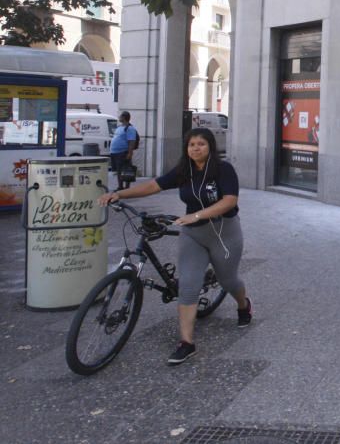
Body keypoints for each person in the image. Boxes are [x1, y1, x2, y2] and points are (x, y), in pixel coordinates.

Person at [98, 127, 252, 366]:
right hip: (193, 235)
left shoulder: (223, 169)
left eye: (201, 144)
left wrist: (197, 215)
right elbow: (154, 186)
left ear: (210, 146)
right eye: (191, 144)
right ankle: (186, 343)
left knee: (228, 280)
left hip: (224, 233)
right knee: (188, 286)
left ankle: (243, 305)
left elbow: (229, 201)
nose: (196, 148)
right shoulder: (184, 170)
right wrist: (120, 194)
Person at [109, 111, 138, 190]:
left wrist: (130, 153)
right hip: (115, 152)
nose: (119, 117)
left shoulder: (130, 128)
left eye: (120, 116)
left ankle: (126, 187)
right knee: (119, 170)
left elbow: (132, 141)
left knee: (126, 169)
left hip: (122, 152)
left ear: (124, 117)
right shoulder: (119, 127)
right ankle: (120, 186)